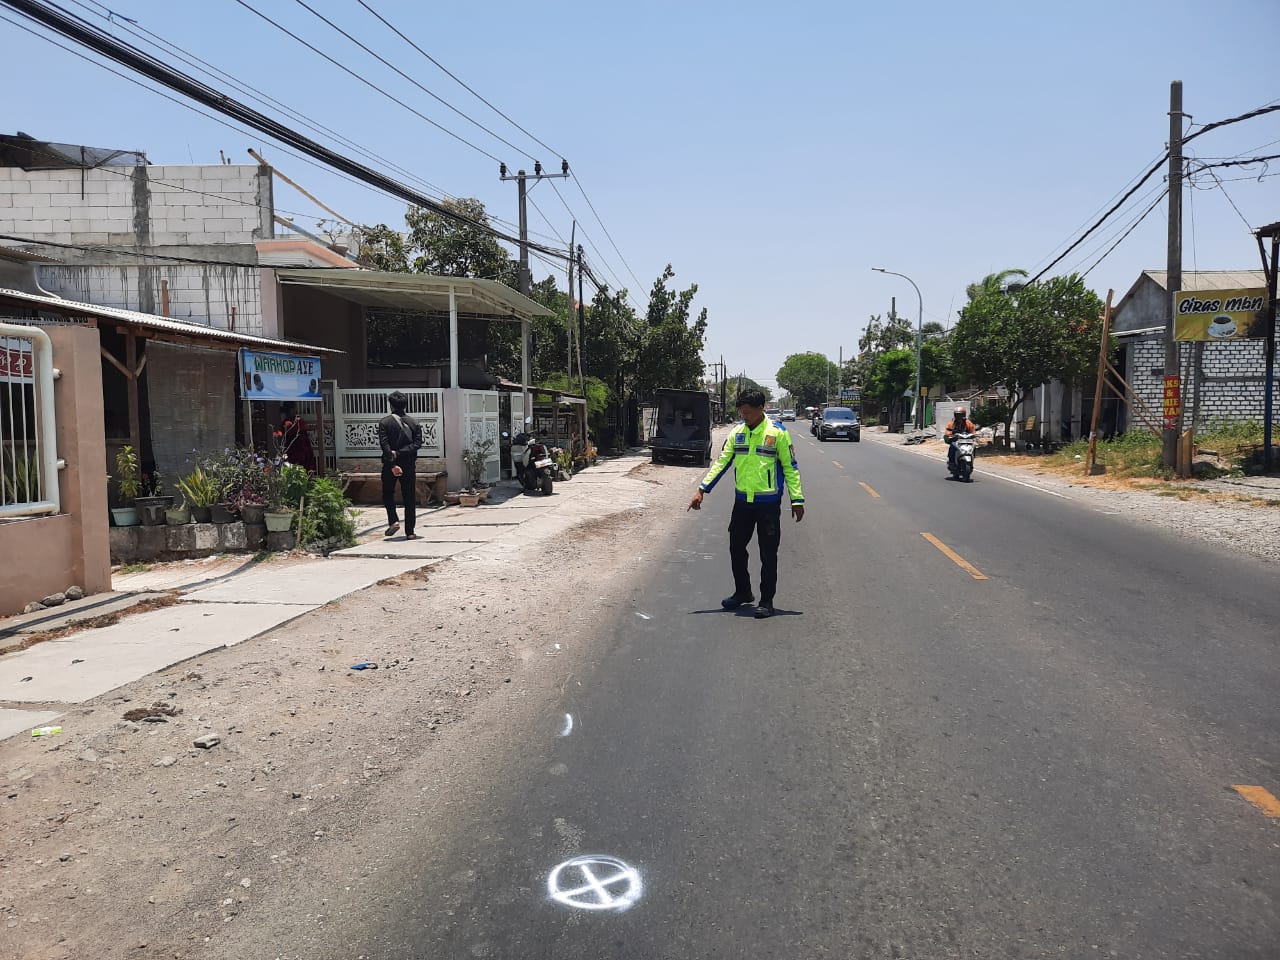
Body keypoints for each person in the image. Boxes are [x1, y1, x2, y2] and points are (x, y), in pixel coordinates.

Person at [688, 389, 804, 619]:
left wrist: (797, 499)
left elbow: (790, 468)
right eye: (741, 411)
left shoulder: (777, 433)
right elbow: (722, 463)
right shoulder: (737, 432)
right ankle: (743, 592)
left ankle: (767, 600)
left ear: (762, 409)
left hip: (768, 504)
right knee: (736, 548)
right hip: (742, 503)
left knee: (768, 553)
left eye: (748, 412)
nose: (744, 416)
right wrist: (702, 490)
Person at [378, 390, 424, 538]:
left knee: (387, 494)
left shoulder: (385, 423)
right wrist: (401, 453)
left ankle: (393, 521)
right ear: (405, 405)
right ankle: (410, 532)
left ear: (391, 405)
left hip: (389, 465)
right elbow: (417, 444)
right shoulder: (414, 423)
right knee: (409, 496)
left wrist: (392, 463)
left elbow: (384, 446)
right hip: (409, 464)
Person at [279, 402, 317, 474]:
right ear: (291, 409)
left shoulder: (285, 422)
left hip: (291, 450)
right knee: (303, 468)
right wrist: (321, 426)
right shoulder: (296, 421)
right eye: (295, 408)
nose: (296, 409)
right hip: (301, 449)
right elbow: (306, 428)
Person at [944, 405, 977, 472]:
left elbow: (973, 431)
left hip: (967, 440)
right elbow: (947, 431)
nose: (959, 417)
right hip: (956, 440)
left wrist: (973, 435)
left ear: (964, 414)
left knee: (974, 446)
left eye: (960, 415)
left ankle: (972, 460)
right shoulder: (952, 423)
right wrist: (950, 436)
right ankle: (952, 462)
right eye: (957, 415)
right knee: (952, 447)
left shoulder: (968, 423)